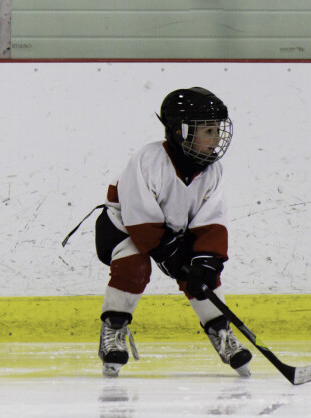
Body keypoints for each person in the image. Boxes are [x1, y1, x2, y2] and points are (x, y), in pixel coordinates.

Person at [93, 87, 252, 378]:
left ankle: (221, 332)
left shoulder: (212, 171)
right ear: (181, 133)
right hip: (123, 226)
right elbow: (138, 218)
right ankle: (113, 331)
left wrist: (206, 259)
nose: (216, 138)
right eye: (208, 130)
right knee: (134, 266)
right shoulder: (148, 160)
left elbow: (211, 220)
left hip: (171, 230)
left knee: (202, 274)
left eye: (217, 129)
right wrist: (171, 254)